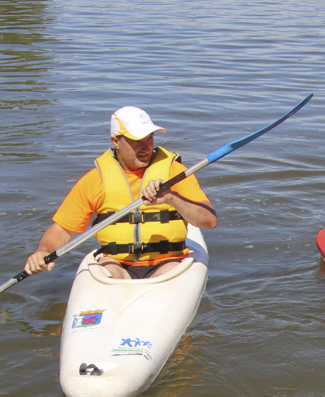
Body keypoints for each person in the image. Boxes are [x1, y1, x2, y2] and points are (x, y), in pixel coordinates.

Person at [24, 106, 217, 280]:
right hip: (116, 265)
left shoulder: (174, 172)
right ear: (115, 141)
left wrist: (171, 198)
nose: (146, 147)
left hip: (168, 262)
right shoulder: (95, 180)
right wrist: (43, 251)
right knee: (110, 273)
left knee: (169, 270)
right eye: (136, 141)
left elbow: (209, 221)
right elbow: (62, 229)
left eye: (149, 138)